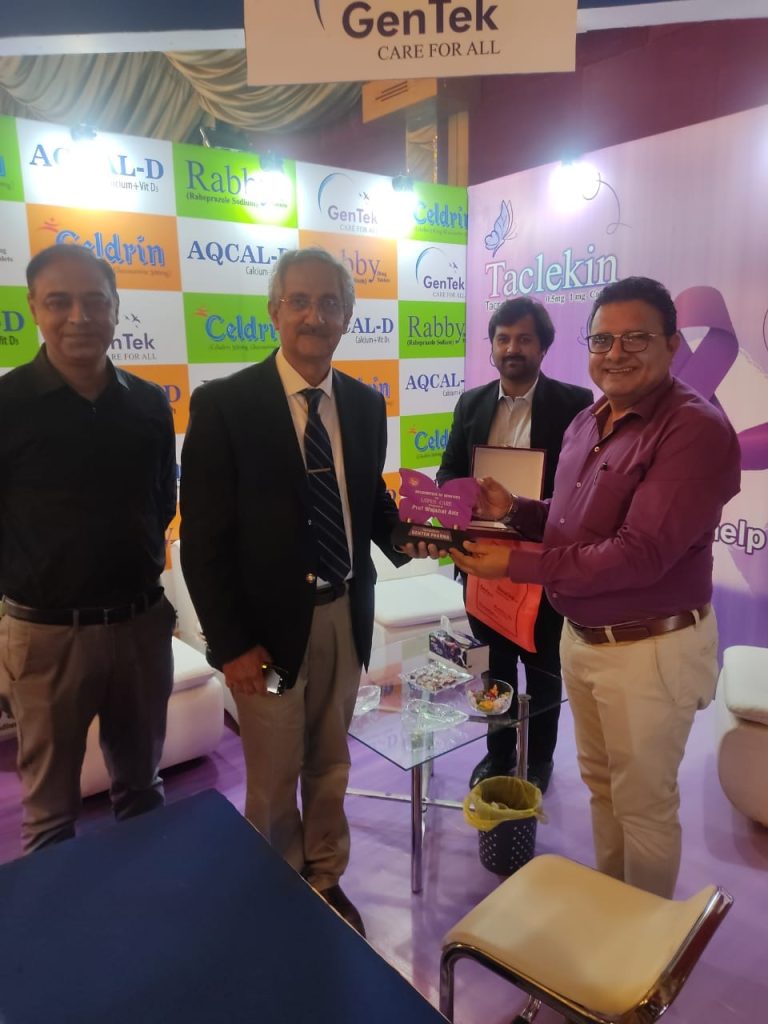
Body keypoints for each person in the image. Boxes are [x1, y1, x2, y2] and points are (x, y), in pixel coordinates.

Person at [451, 276, 741, 898]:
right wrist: (516, 510)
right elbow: (569, 520)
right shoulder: (590, 420)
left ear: (671, 344)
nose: (616, 353)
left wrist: (516, 565)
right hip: (582, 639)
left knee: (644, 808)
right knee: (603, 789)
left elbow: (640, 554)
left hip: (648, 650)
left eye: (636, 338)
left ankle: (642, 941)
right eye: (603, 339)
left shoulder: (693, 428)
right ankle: (612, 909)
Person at [179, 247, 407, 937]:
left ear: (347, 317)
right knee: (275, 773)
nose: (314, 316)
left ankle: (326, 878)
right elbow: (203, 541)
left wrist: (420, 537)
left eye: (330, 303)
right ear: (274, 311)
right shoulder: (225, 404)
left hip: (343, 616)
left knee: (332, 762)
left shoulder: (364, 404)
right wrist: (231, 645)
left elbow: (368, 503)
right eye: (300, 301)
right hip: (267, 634)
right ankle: (278, 891)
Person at [0, 243, 177, 854]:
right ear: (33, 308)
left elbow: (163, 501)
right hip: (47, 638)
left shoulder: (149, 402)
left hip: (140, 629)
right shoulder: (6, 405)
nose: (79, 316)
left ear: (115, 307)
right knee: (50, 816)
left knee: (144, 793)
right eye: (59, 302)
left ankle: (147, 908)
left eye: (94, 301)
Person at [438, 298, 592, 792]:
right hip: (482, 562)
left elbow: (582, 487)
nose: (512, 348)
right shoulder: (471, 403)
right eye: (503, 339)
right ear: (491, 347)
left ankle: (539, 760)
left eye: (524, 339)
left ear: (543, 347)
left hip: (541, 561)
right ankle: (498, 753)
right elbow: (448, 471)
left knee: (544, 671)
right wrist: (459, 502)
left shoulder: (576, 403)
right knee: (495, 668)